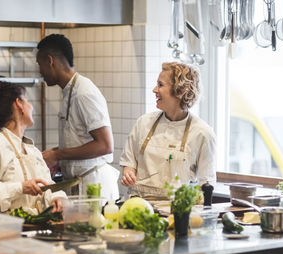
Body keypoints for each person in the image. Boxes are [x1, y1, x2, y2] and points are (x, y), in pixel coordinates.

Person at [36, 34, 119, 200]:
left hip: (94, 186)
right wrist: (55, 154)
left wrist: (58, 155)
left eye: (40, 65)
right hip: (80, 183)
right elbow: (81, 139)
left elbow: (105, 145)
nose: (40, 72)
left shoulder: (84, 92)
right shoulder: (69, 91)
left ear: (50, 61)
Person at [120, 62, 216, 199]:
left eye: (160, 85)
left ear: (181, 91)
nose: (154, 90)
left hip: (175, 211)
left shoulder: (202, 133)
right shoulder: (143, 123)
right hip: (138, 205)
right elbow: (129, 163)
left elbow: (206, 184)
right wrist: (128, 172)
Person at [0, 81, 67, 214]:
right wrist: (20, 188)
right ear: (18, 104)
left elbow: (47, 184)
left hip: (36, 228)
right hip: (6, 231)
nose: (31, 107)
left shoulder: (32, 150)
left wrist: (57, 197)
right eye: (27, 101)